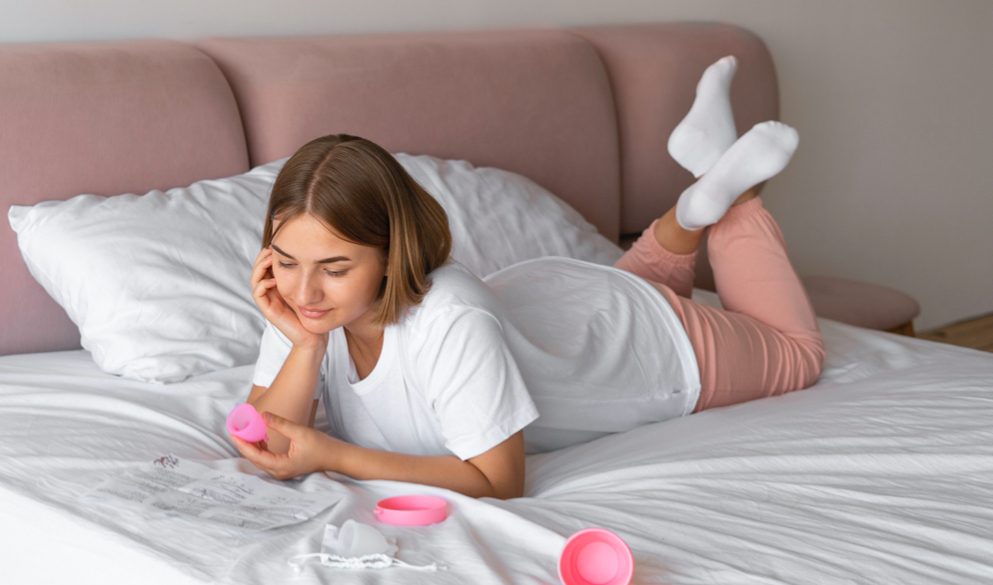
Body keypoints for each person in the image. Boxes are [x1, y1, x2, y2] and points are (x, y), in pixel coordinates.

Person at [229, 56, 824, 500]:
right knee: (637, 285)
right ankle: (695, 202)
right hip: (574, 304)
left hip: (647, 348)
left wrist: (336, 455)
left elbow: (498, 481)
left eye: (335, 268)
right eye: (285, 261)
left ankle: (734, 193)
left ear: (392, 253)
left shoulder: (449, 320)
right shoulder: (306, 307)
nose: (303, 291)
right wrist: (304, 346)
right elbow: (269, 443)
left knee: (798, 354)